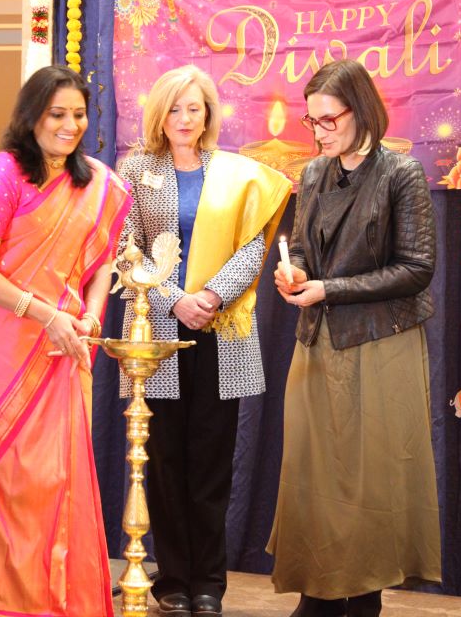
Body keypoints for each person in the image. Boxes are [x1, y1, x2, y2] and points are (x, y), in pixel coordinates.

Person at [0, 65, 132, 617]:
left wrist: (91, 315)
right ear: (31, 117)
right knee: (1, 484)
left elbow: (102, 265)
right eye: (57, 114)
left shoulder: (96, 182)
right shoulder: (2, 175)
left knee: (55, 481)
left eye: (78, 114)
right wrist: (45, 313)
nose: (69, 124)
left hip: (61, 349)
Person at [116, 65, 291, 617]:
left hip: (221, 330)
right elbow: (127, 249)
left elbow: (253, 244)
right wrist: (175, 300)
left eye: (194, 108)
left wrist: (210, 297)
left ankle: (209, 584)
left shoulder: (236, 173)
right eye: (174, 109)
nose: (184, 118)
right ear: (159, 115)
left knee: (211, 462)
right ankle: (172, 582)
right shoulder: (137, 168)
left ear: (209, 114)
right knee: (164, 460)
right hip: (157, 331)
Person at [269, 58, 440, 617]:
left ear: (361, 110)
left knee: (371, 480)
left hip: (378, 342)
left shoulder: (401, 173)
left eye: (328, 120)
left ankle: (364, 596)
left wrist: (328, 288)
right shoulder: (314, 173)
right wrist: (294, 273)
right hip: (317, 338)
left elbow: (416, 268)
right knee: (312, 473)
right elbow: (303, 247)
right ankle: (316, 594)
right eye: (311, 122)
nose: (318, 132)